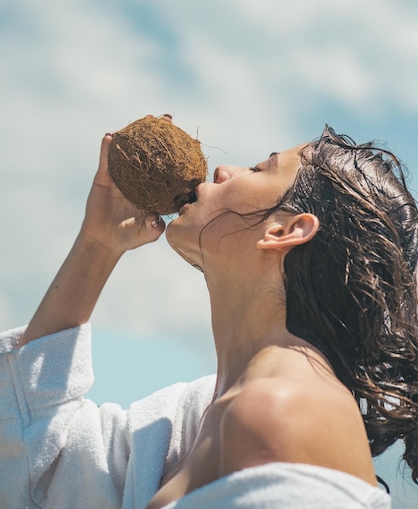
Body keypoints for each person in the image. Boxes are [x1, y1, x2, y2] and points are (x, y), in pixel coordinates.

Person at [0, 117, 417, 509]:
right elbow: (35, 464)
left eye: (258, 169)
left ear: (284, 231)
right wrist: (97, 243)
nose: (221, 171)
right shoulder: (195, 416)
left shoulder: (280, 411)